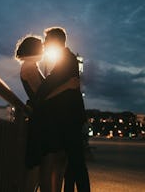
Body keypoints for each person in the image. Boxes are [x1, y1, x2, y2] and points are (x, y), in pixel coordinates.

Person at [15, 35, 80, 192]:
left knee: (51, 163)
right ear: (33, 49)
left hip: (45, 119)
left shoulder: (31, 66)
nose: (43, 51)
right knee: (48, 164)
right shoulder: (28, 67)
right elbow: (43, 96)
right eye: (41, 48)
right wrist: (67, 86)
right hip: (44, 121)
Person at [35, 27, 91, 192]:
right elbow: (56, 84)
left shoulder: (67, 59)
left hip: (70, 120)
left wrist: (44, 92)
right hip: (70, 119)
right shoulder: (66, 59)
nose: (44, 44)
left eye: (46, 41)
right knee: (73, 164)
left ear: (55, 41)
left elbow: (48, 88)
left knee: (76, 163)